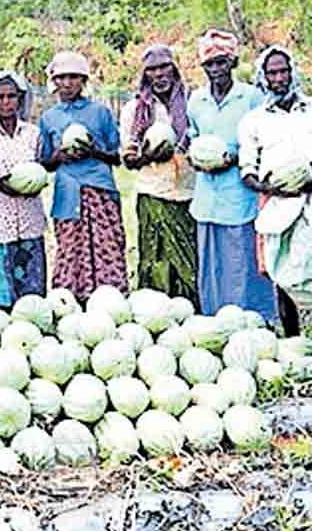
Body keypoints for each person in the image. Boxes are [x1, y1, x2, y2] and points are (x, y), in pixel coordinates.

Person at [237, 44, 312, 362]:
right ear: (263, 78)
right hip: (277, 205)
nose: (279, 78)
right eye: (272, 73)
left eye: (284, 71)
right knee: (281, 275)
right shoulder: (254, 121)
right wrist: (268, 187)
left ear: (293, 72)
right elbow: (247, 171)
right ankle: (294, 351)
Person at [185, 29, 277, 320]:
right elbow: (193, 137)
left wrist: (233, 157)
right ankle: (216, 319)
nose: (215, 70)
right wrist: (196, 157)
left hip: (239, 195)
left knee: (241, 262)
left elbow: (263, 140)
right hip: (206, 198)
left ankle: (250, 320)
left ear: (233, 63)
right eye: (209, 65)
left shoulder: (250, 97)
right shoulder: (196, 100)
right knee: (211, 265)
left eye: (222, 63)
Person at [37, 51, 125, 303]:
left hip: (99, 189)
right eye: (61, 78)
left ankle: (110, 302)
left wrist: (93, 150)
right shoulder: (49, 118)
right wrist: (59, 156)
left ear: (83, 80)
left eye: (73, 78)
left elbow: (115, 156)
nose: (67, 84)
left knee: (106, 247)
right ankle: (70, 303)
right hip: (67, 192)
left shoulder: (100, 112)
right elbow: (45, 163)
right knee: (69, 250)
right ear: (54, 81)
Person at [119, 45, 198, 303]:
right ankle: (154, 310)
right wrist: (148, 156)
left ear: (174, 68)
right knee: (155, 259)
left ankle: (190, 310)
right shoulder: (135, 109)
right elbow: (129, 160)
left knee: (188, 262)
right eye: (152, 69)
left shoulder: (193, 101)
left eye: (164, 67)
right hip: (152, 193)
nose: (159, 74)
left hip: (189, 193)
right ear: (145, 74)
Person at [0, 70, 47, 307]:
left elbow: (39, 170)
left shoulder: (32, 133)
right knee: (4, 285)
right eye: (0, 97)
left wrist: (34, 184)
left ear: (19, 99)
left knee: (33, 285)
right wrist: (0, 184)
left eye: (11, 96)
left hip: (30, 217)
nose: (6, 102)